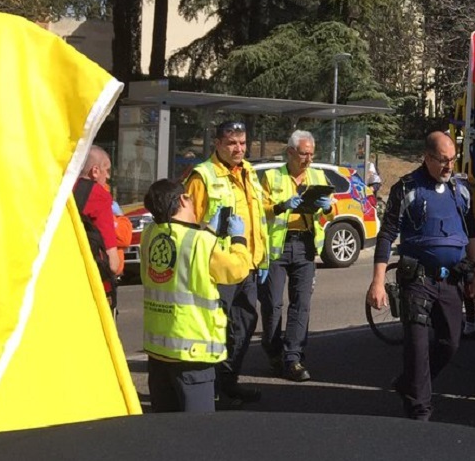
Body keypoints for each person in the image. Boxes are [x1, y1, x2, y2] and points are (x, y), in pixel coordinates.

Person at [366, 132, 475, 421]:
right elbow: (387, 234)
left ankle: (409, 383)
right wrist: (378, 281)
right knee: (417, 349)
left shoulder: (460, 190)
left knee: (450, 343)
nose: (449, 166)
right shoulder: (406, 188)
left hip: (451, 280)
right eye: (443, 161)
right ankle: (420, 412)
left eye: (452, 160)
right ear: (427, 157)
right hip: (417, 281)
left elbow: (471, 233)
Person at [140, 178, 256, 412]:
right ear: (182, 199)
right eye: (190, 198)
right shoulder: (202, 243)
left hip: (159, 352)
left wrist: (210, 230)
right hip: (193, 353)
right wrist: (239, 239)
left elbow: (181, 252)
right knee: (199, 431)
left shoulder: (150, 234)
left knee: (165, 427)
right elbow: (236, 270)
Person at [184, 120, 272, 406]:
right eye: (232, 143)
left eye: (243, 143)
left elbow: (258, 216)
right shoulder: (202, 176)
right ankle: (210, 387)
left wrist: (262, 258)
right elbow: (190, 225)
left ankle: (228, 380)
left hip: (247, 263)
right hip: (218, 267)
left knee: (244, 323)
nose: (239, 148)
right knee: (216, 327)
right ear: (218, 144)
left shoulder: (248, 171)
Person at [258, 130, 334, 382]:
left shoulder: (317, 175)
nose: (308, 159)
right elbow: (260, 211)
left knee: (301, 305)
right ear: (290, 152)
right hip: (277, 248)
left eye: (312, 154)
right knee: (272, 305)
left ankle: (294, 358)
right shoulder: (271, 177)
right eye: (304, 154)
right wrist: (281, 206)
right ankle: (273, 351)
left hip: (305, 245)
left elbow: (330, 212)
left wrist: (327, 208)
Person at [72, 145, 121, 312]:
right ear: (95, 171)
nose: (107, 176)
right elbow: (112, 263)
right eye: (106, 170)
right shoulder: (99, 196)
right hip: (90, 286)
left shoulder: (61, 187)